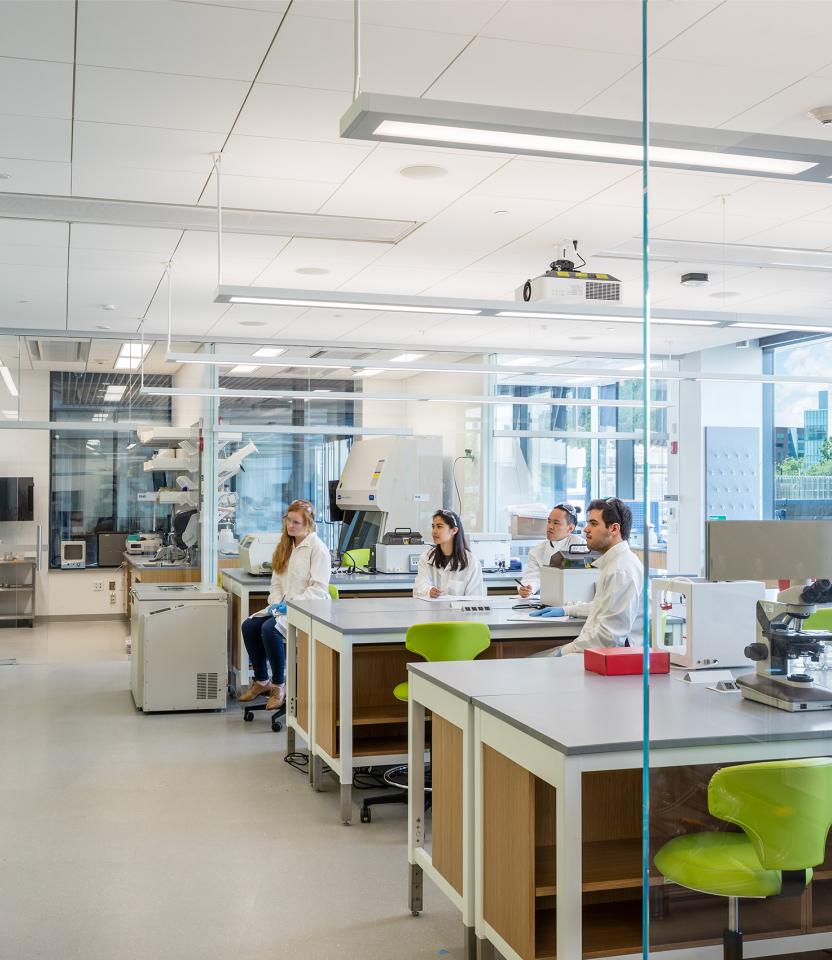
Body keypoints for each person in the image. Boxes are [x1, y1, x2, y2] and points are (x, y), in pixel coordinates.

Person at [239, 499, 331, 709]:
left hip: (309, 610)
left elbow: (319, 589)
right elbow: (276, 583)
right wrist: (274, 604)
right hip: (283, 608)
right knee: (249, 625)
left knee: (269, 629)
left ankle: (279, 686)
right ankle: (262, 681)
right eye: (288, 520)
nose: (290, 526)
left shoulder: (317, 549)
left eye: (296, 522)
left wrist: (291, 605)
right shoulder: (284, 547)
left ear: (308, 524)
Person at [531, 497, 643, 656]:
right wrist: (567, 610)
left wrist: (563, 652)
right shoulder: (615, 564)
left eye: (594, 524)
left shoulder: (621, 571)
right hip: (594, 651)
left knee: (533, 663)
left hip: (606, 658)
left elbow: (608, 638)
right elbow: (603, 607)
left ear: (614, 529)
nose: (586, 529)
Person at [413, 508, 485, 599]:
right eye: (433, 526)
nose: (434, 531)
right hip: (431, 612)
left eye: (439, 526)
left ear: (454, 530)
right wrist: (428, 591)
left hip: (459, 612)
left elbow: (475, 598)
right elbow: (418, 588)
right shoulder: (426, 557)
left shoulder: (471, 562)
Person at [518, 503, 586, 598]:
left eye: (556, 523)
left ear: (570, 528)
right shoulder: (537, 551)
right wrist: (528, 588)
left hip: (574, 599)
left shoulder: (580, 546)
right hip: (546, 599)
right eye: (549, 521)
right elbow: (533, 577)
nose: (550, 526)